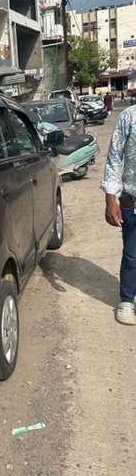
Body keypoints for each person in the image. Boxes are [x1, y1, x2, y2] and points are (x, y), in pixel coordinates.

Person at [103, 102, 136, 323]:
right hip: (132, 199)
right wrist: (110, 197)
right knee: (132, 254)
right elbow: (114, 157)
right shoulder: (129, 116)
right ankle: (126, 300)